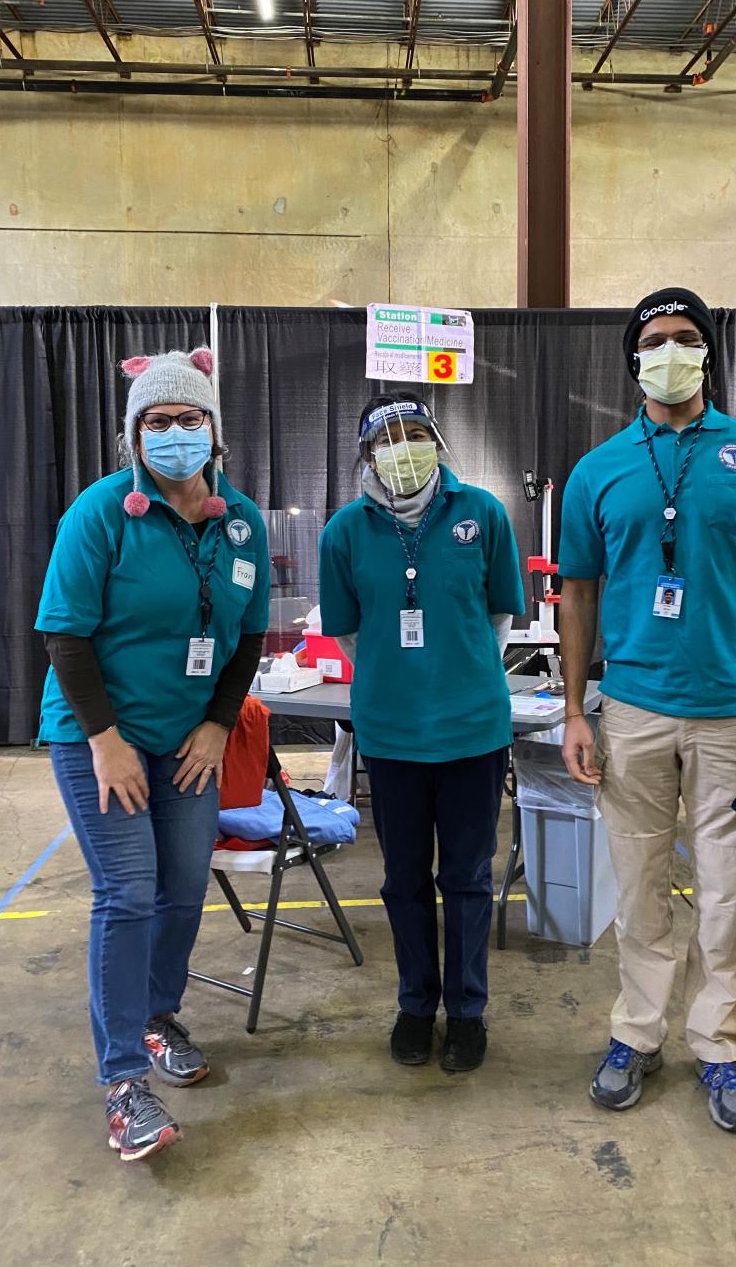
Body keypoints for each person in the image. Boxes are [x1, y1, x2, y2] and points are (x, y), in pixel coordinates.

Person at [558, 287, 736, 1134]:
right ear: (633, 360)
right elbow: (578, 594)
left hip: (733, 713)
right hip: (635, 713)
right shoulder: (598, 470)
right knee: (641, 889)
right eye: (655, 340)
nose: (671, 351)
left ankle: (718, 1045)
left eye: (686, 338)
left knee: (727, 893)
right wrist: (576, 710)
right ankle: (636, 1034)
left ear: (709, 353)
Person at [36, 346, 270, 1161]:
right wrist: (105, 741)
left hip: (187, 740)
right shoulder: (101, 513)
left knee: (180, 889)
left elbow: (243, 642)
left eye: (189, 419)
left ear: (214, 431)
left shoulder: (241, 521)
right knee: (129, 893)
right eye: (157, 422)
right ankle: (124, 1083)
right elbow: (64, 634)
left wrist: (216, 724)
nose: (175, 433)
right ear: (135, 436)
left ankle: (156, 1012)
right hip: (99, 736)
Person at [319, 393, 524, 1073]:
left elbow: (500, 617)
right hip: (391, 733)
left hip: (472, 730)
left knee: (466, 878)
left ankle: (468, 1011)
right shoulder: (345, 532)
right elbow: (350, 633)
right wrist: (399, 677)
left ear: (436, 440)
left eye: (414, 433)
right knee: (403, 879)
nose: (402, 448)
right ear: (367, 454)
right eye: (386, 438)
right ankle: (415, 1004)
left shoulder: (484, 515)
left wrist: (457, 674)